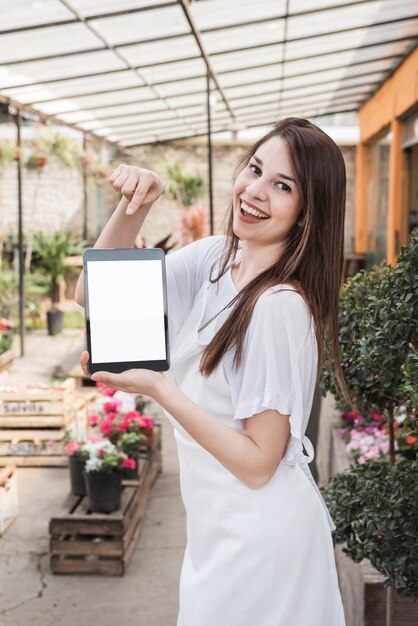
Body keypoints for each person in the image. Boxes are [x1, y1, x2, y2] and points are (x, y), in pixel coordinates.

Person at [75, 117, 347, 626]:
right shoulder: (217, 259)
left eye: (282, 186)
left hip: (261, 540)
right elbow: (91, 295)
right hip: (215, 529)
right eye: (256, 169)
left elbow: (258, 464)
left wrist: (158, 387)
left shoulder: (279, 304)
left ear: (309, 214)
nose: (255, 191)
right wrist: (136, 206)